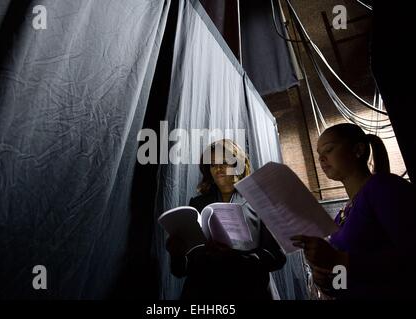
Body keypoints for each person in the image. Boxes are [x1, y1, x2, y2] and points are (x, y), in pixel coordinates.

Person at [291, 123, 416, 299]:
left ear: (358, 150)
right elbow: (342, 283)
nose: (321, 159)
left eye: (329, 150)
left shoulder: (385, 187)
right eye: (319, 155)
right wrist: (327, 281)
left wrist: (339, 260)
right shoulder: (343, 214)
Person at [166, 139, 286, 300]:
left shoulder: (259, 201)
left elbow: (277, 258)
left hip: (251, 292)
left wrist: (238, 258)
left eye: (225, 162)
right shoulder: (197, 204)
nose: (219, 168)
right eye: (213, 164)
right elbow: (182, 271)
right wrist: (177, 254)